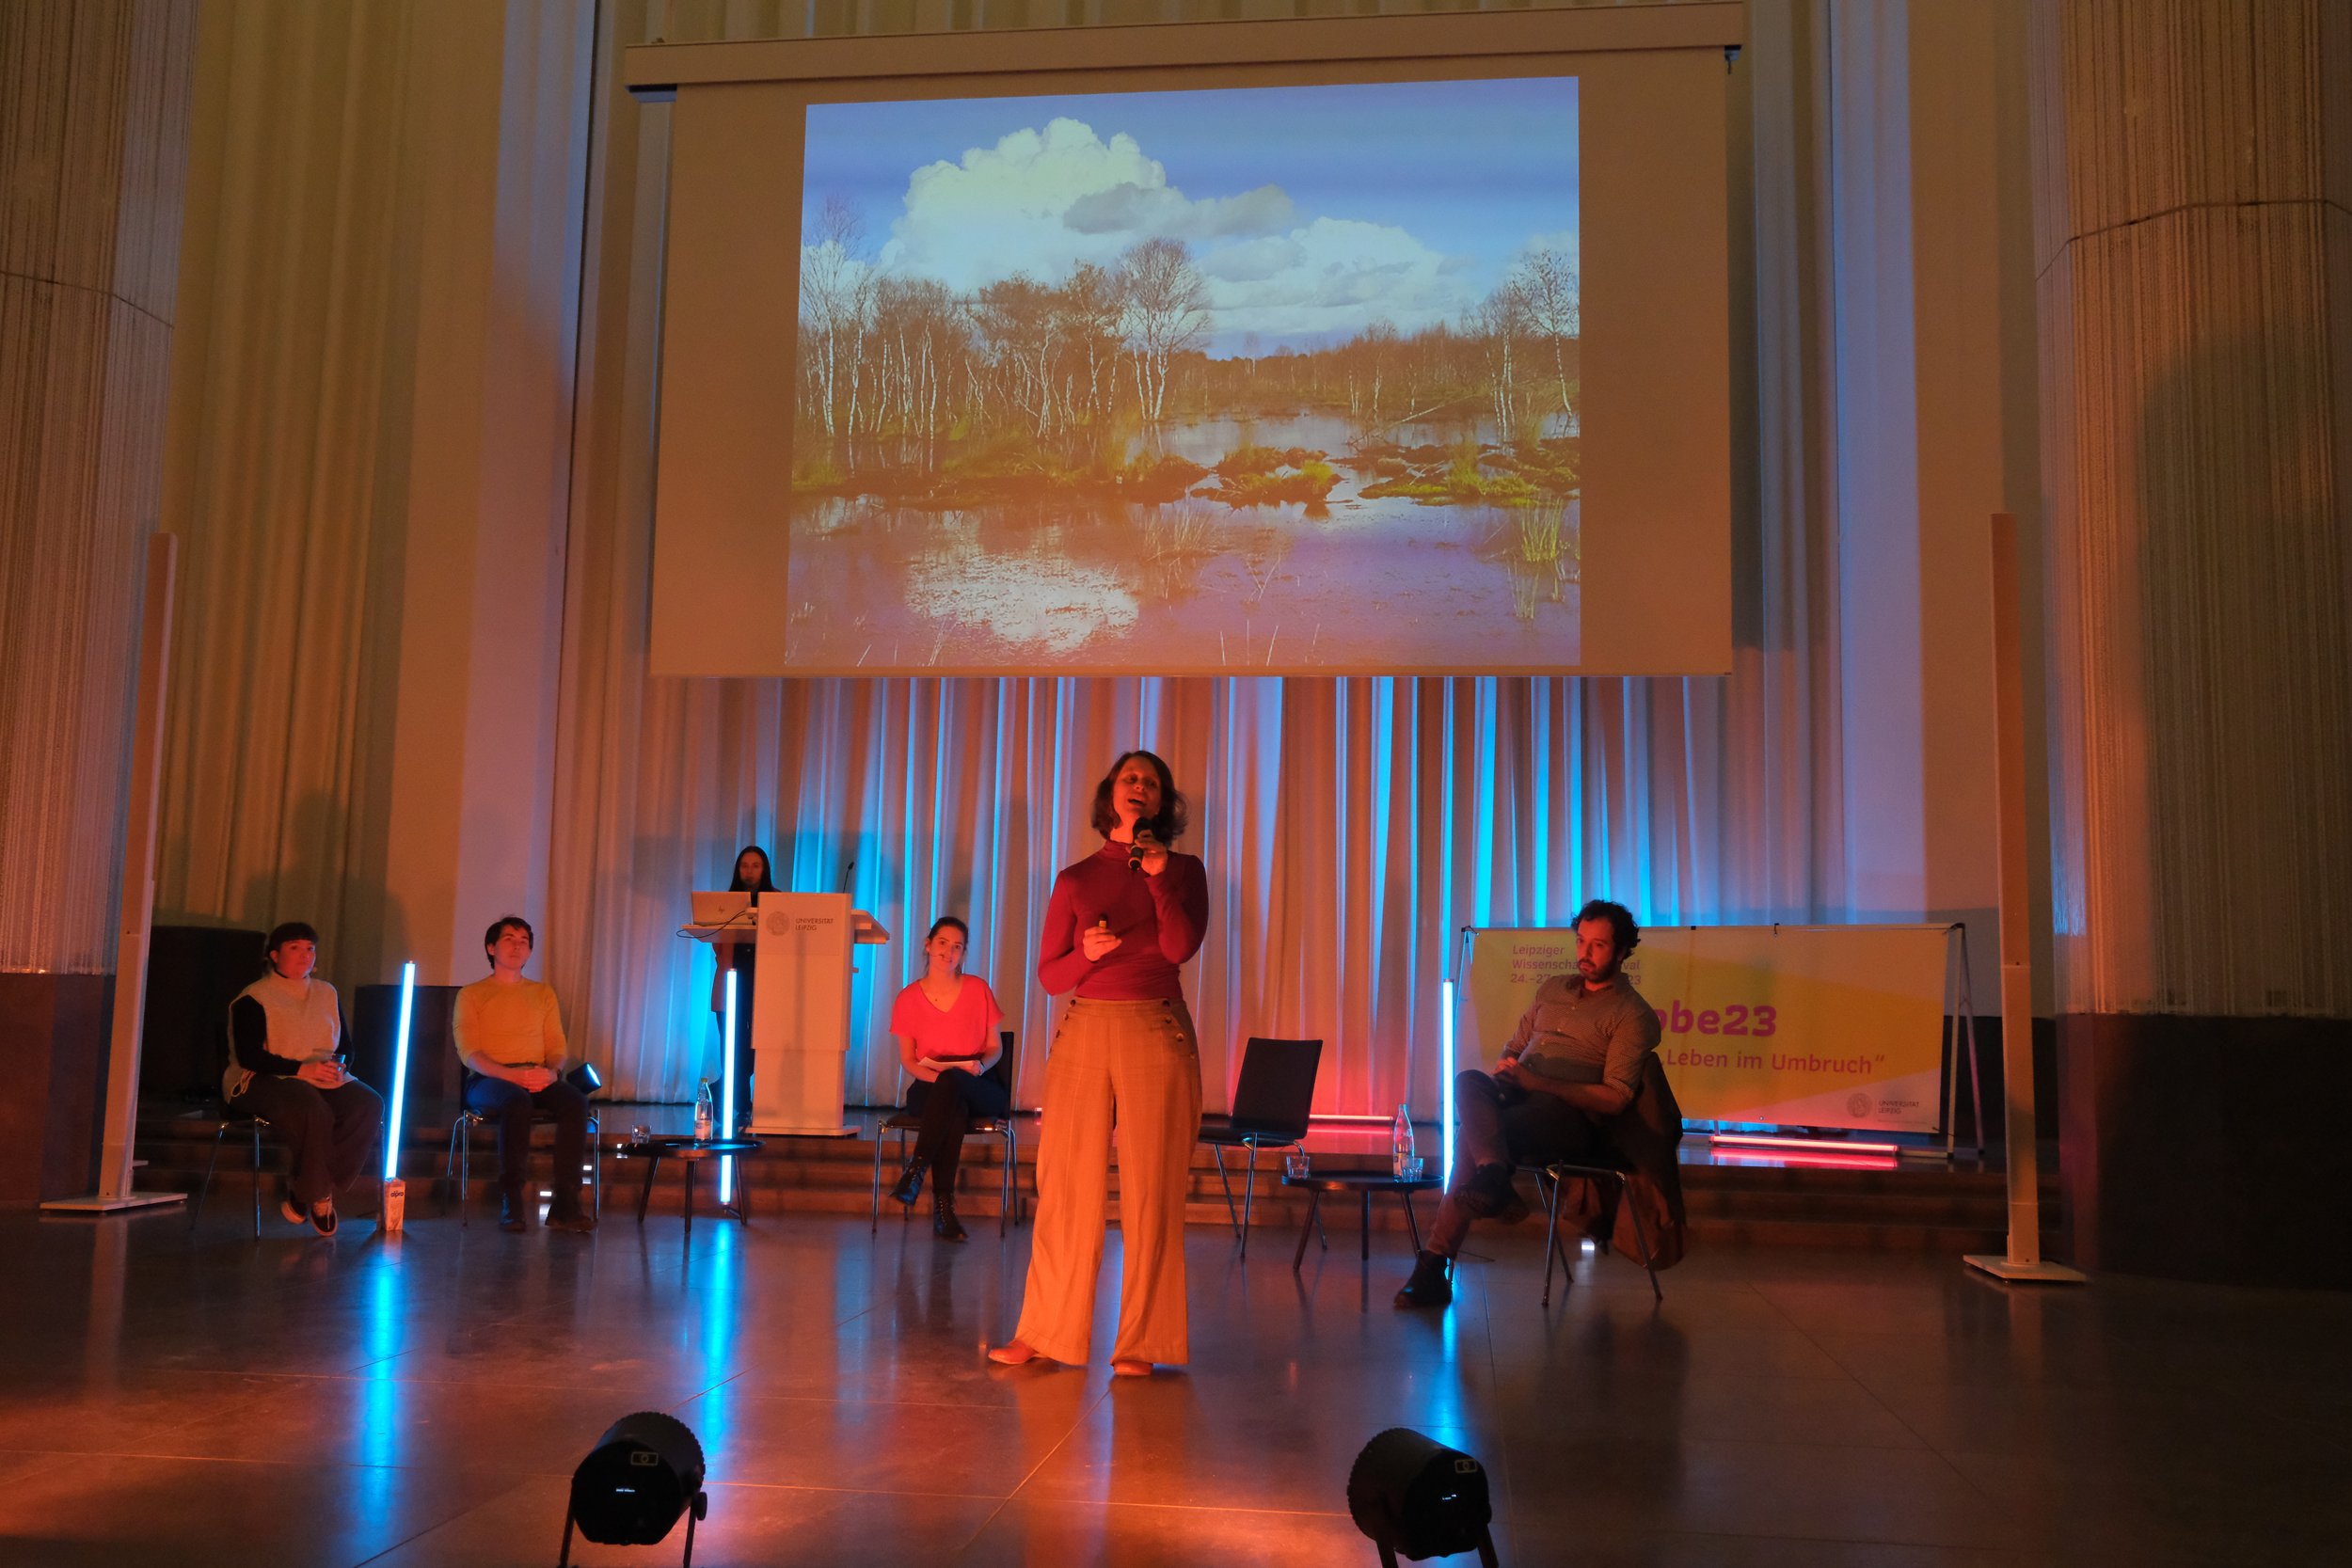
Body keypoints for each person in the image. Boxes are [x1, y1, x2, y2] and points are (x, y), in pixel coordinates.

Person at [990, 750, 1210, 1377]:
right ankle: (1044, 1330)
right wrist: (1085, 953)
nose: (1138, 786)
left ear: (1162, 801)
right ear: (1111, 793)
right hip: (1085, 1025)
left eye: (1151, 781)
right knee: (1065, 1186)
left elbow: (1178, 945)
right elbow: (1050, 975)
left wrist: (1159, 873)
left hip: (1155, 1025)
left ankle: (1143, 1340)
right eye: (1129, 777)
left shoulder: (1186, 870)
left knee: (1153, 1189)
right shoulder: (1075, 877)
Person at [1396, 898, 1663, 1308]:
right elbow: (1516, 1044)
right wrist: (1508, 1064)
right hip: (1518, 1094)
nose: (1585, 954)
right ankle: (1492, 1176)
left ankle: (1436, 1262)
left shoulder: (1632, 1014)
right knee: (1469, 1080)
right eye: (1580, 941)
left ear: (1623, 950)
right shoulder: (1552, 988)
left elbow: (1615, 1099)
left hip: (1568, 1117)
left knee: (1473, 1134)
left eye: (1599, 945)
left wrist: (1538, 1081)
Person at [223, 922, 382, 1237]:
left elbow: (346, 1045)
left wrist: (340, 1066)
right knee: (311, 1107)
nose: (304, 955)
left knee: (368, 1103)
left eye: (309, 948)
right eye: (295, 948)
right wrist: (303, 1070)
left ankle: (306, 1190)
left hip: (319, 1074)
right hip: (262, 1077)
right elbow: (250, 1056)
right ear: (274, 955)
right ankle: (320, 1196)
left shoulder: (326, 992)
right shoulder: (254, 998)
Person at [453, 915, 596, 1233]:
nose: (517, 946)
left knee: (574, 1101)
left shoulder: (542, 993)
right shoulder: (471, 994)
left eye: (524, 941)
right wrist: (511, 1076)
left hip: (536, 1074)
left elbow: (557, 1046)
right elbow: (469, 1053)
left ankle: (566, 1202)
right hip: (488, 1080)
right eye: (509, 939)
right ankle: (512, 1197)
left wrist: (552, 1072)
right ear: (491, 947)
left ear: (530, 951)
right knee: (517, 1101)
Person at [883, 915, 1009, 1242]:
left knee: (954, 1084)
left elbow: (995, 1047)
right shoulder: (908, 998)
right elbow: (908, 1060)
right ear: (928, 945)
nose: (948, 952)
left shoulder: (977, 988)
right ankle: (944, 1210)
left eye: (957, 947)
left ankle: (916, 1171)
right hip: (931, 1081)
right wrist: (940, 1078)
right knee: (951, 1105)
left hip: (978, 1081)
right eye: (942, 943)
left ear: (963, 954)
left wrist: (979, 1067)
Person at [708, 844, 776, 1125]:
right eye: (745, 865)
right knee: (732, 1048)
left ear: (764, 869)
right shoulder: (725, 902)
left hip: (766, 986)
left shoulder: (778, 902)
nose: (750, 871)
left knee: (753, 1049)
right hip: (731, 981)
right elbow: (714, 941)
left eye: (755, 865)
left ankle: (723, 1093)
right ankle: (741, 1104)